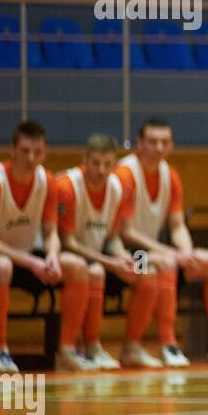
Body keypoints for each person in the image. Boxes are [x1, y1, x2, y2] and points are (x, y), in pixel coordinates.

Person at [0, 121, 89, 373]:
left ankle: (67, 351)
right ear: (12, 150)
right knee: (2, 267)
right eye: (25, 151)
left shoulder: (47, 181)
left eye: (38, 152)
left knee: (77, 267)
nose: (31, 157)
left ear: (45, 153)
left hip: (22, 257)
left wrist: (53, 257)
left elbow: (51, 233)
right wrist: (34, 263)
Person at [117, 118, 208, 366]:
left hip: (157, 251)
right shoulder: (125, 173)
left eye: (164, 142)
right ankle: (166, 344)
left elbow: (177, 225)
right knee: (166, 263)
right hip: (124, 255)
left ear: (171, 145)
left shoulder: (170, 175)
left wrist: (188, 253)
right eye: (152, 142)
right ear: (139, 144)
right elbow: (126, 232)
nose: (158, 148)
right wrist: (172, 253)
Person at [56, 134, 161, 370]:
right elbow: (67, 242)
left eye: (107, 164)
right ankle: (80, 349)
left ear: (115, 164)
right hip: (60, 255)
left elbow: (112, 238)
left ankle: (132, 348)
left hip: (98, 256)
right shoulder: (67, 186)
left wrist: (123, 256)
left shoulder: (117, 188)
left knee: (148, 271)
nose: (101, 170)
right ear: (84, 160)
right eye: (95, 163)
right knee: (94, 272)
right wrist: (110, 262)